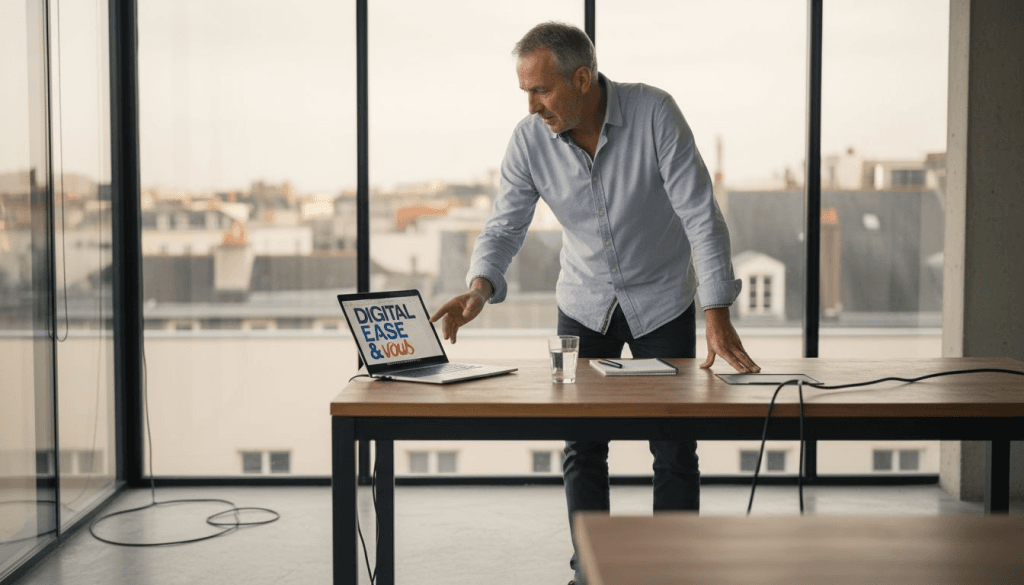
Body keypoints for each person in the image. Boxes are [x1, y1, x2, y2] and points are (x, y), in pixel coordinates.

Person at [429, 21, 760, 585]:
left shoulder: (655, 113)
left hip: (663, 300)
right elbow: (505, 225)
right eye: (525, 93)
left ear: (581, 78)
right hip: (582, 303)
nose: (533, 106)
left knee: (674, 447)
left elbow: (701, 213)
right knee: (583, 446)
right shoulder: (529, 140)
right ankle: (591, 569)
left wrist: (717, 313)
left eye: (542, 90)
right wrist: (480, 287)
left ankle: (673, 571)